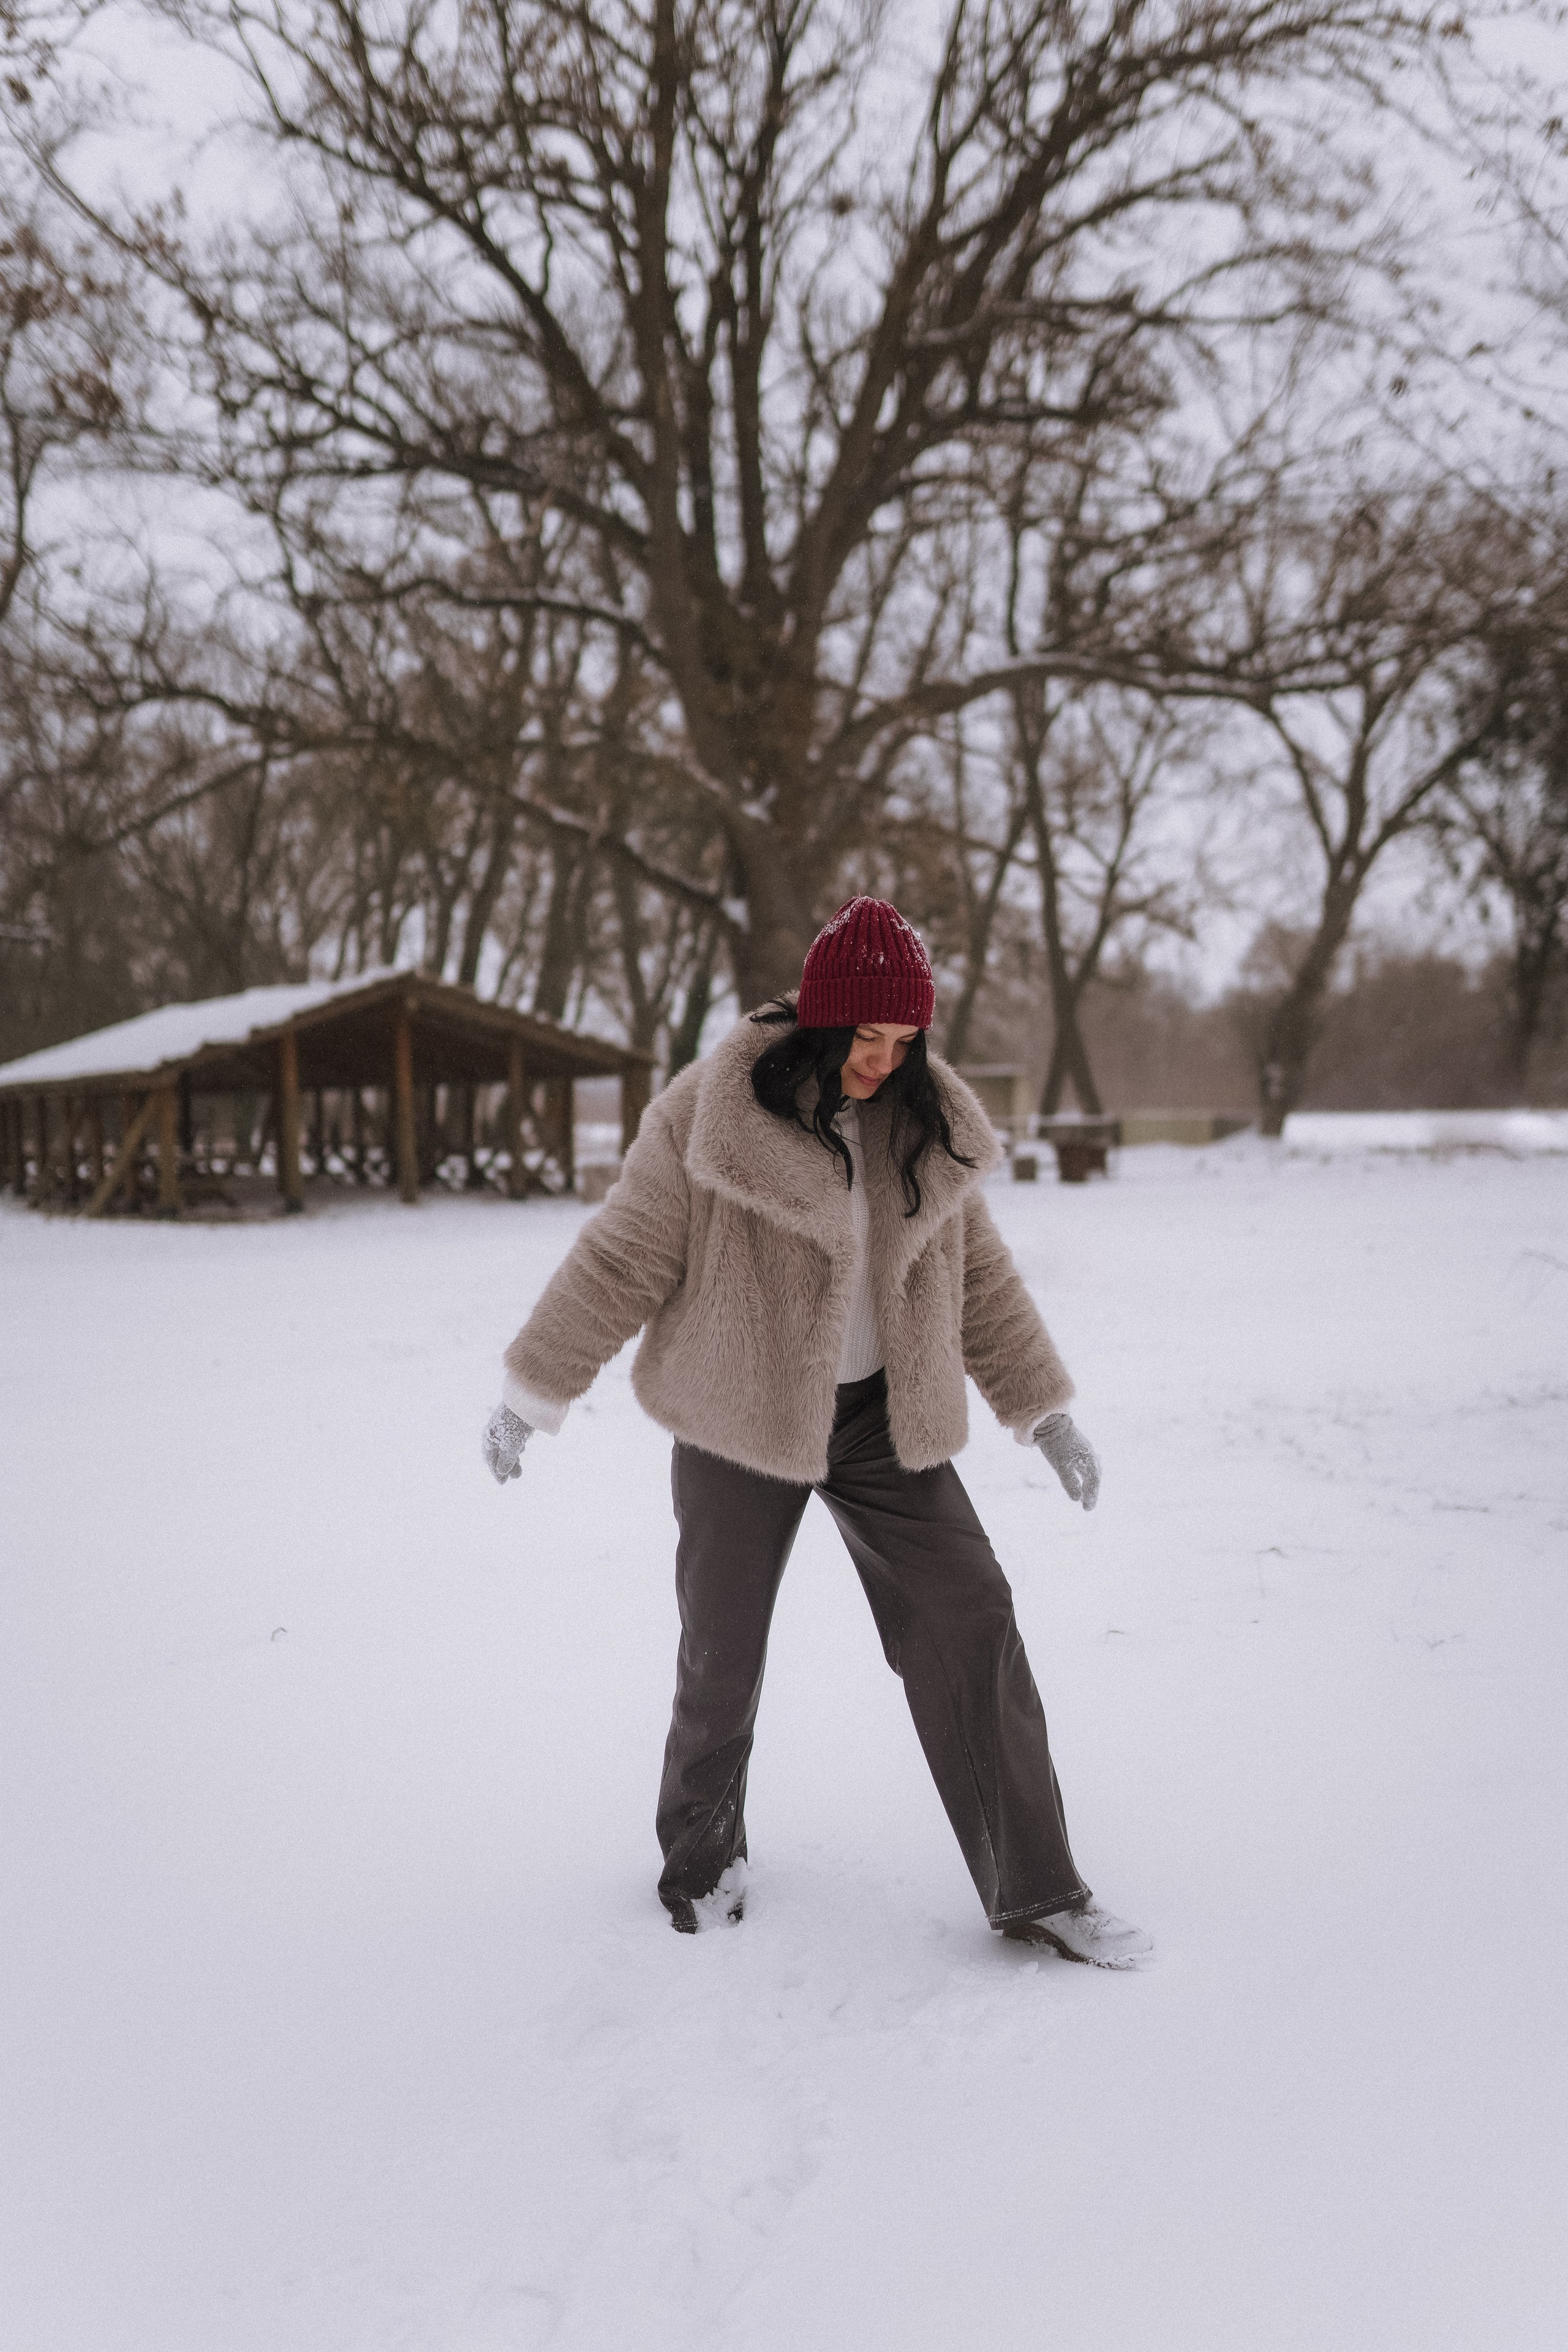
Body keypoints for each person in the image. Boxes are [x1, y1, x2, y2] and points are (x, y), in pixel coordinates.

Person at [482, 897, 1151, 1967]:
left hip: (886, 1420)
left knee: (971, 1614)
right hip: (738, 1417)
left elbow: (980, 1283)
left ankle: (1039, 1888)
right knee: (723, 1650)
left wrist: (1046, 1411)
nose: (883, 1063)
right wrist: (533, 1392)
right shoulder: (706, 1117)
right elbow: (623, 1259)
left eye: (903, 1043)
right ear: (817, 1027)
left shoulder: (919, 1128)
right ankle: (703, 1863)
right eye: (865, 1041)